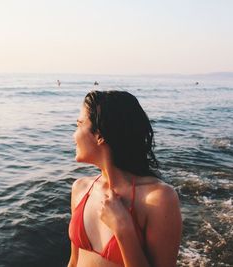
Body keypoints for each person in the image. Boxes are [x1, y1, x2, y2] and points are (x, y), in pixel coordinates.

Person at [68, 90, 182, 267]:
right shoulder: (80, 189)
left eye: (79, 124)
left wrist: (124, 230)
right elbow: (74, 262)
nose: (73, 136)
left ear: (100, 135)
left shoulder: (158, 199)